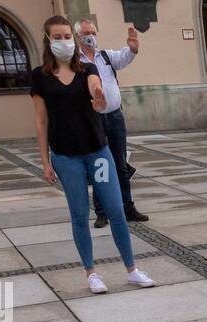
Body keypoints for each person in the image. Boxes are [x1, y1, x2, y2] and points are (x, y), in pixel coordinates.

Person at [31, 15, 155, 294]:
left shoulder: (87, 69)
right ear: (48, 40)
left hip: (97, 153)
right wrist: (44, 161)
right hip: (65, 156)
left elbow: (96, 89)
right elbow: (41, 120)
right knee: (79, 214)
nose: (63, 41)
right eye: (58, 37)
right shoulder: (39, 77)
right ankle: (91, 273)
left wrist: (99, 98)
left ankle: (132, 269)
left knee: (115, 210)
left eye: (67, 37)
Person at [75, 18, 148, 229]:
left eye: (93, 32)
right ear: (78, 36)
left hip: (114, 116)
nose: (91, 36)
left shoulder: (105, 56)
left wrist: (133, 49)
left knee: (120, 165)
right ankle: (101, 211)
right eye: (86, 33)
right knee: (100, 165)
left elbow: (123, 57)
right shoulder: (76, 62)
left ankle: (128, 207)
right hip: (93, 119)